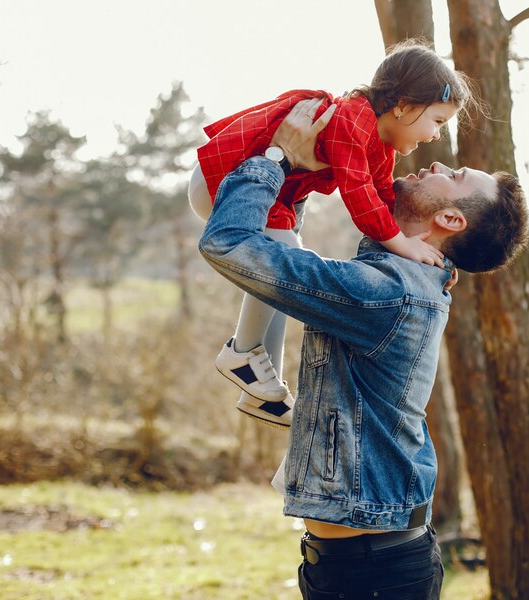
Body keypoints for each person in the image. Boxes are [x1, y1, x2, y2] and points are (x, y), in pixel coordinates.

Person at [198, 100, 529, 599]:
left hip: (372, 571)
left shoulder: (387, 292)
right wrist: (303, 173)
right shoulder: (402, 280)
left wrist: (274, 160)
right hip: (356, 561)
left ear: (449, 218)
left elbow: (230, 244)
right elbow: (284, 244)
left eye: (455, 174)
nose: (437, 159)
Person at [188, 40, 478, 429]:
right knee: (286, 257)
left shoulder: (380, 144)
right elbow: (358, 195)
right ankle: (241, 353)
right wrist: (401, 243)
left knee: (283, 270)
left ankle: (260, 381)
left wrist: (434, 256)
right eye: (438, 121)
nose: (437, 136)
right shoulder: (354, 120)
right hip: (228, 182)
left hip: (268, 194)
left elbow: (383, 196)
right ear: (404, 106)